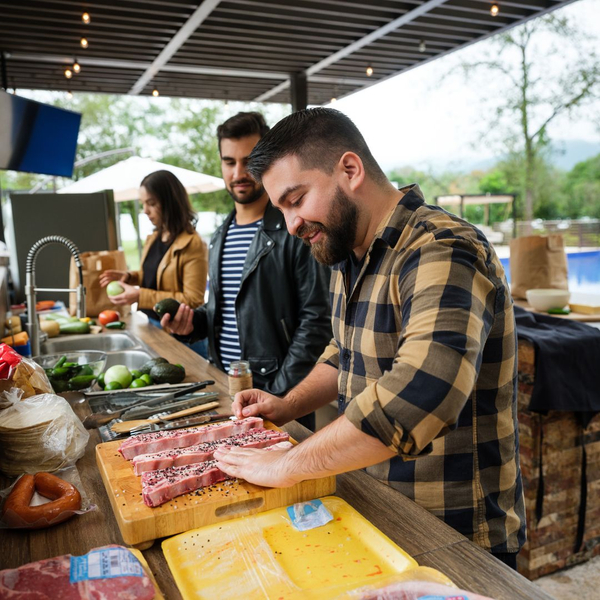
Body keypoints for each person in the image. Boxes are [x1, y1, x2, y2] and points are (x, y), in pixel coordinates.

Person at [212, 108, 526, 568]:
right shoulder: (348, 251)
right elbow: (344, 353)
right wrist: (287, 405)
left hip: (456, 537)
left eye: (296, 199)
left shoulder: (442, 248)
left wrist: (284, 465)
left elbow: (420, 395)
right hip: (378, 515)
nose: (293, 224)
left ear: (350, 170)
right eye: (282, 209)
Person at [163, 112, 332, 430]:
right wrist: (193, 324)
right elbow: (226, 310)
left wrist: (278, 395)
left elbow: (317, 322)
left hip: (279, 395)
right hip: (225, 389)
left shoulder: (295, 229)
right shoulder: (219, 234)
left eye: (249, 159)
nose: (239, 172)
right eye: (229, 161)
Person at [100, 170, 209, 357]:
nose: (145, 211)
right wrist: (129, 277)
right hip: (153, 326)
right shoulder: (155, 237)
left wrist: (140, 296)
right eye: (143, 204)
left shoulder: (194, 244)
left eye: (151, 203)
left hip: (181, 335)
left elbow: (193, 300)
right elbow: (154, 276)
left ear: (170, 203)